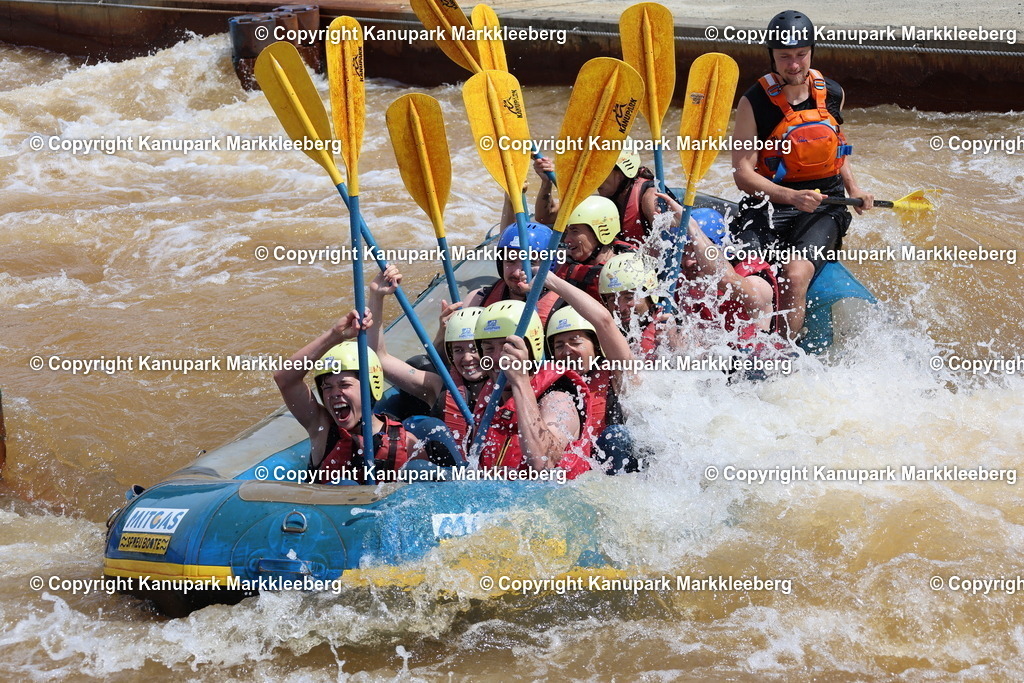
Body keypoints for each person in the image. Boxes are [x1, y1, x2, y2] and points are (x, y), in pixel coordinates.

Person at [731, 9, 873, 339]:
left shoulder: (833, 93)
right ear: (771, 57)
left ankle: (783, 359)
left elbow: (838, 148)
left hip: (825, 205)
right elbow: (742, 174)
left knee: (794, 276)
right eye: (784, 57)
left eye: (801, 55)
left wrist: (855, 189)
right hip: (768, 203)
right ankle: (746, 343)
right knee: (751, 282)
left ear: (811, 52)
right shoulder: (753, 103)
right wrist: (790, 197)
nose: (794, 65)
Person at [273, 311, 458, 482]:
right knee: (345, 485)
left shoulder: (406, 442)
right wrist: (333, 336)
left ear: (371, 387)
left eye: (344, 385)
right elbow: (285, 379)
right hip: (330, 515)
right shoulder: (321, 428)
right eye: (327, 387)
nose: (335, 393)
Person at [368, 264, 488, 456]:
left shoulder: (507, 385)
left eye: (474, 348)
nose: (466, 358)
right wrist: (376, 296)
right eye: (458, 349)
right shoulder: (438, 385)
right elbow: (378, 358)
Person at [472, 300, 592, 478]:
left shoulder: (558, 398)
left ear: (530, 349)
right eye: (489, 348)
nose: (498, 358)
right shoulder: (491, 396)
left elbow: (543, 464)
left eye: (508, 348)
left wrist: (520, 381)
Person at [543, 271, 640, 473]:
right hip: (578, 472)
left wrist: (549, 280)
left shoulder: (618, 374)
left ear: (596, 347)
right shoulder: (554, 386)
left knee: (616, 435)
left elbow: (604, 320)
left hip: (619, 472)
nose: (567, 350)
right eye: (559, 345)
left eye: (576, 341)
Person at [533, 147, 662, 248]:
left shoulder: (650, 198)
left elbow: (669, 247)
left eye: (599, 172)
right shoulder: (604, 199)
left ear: (623, 171)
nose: (593, 178)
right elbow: (546, 216)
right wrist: (546, 183)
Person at [461, 221, 561, 327]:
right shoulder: (477, 300)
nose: (517, 273)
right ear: (501, 263)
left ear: (549, 266)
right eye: (510, 261)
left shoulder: (560, 309)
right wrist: (442, 333)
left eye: (530, 262)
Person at [553, 195, 637, 300]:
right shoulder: (568, 264)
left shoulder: (628, 270)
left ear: (600, 233)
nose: (566, 240)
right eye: (567, 232)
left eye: (575, 231)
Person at [598, 251, 664, 358]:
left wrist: (677, 349)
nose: (620, 307)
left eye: (629, 297)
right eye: (612, 299)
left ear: (650, 295)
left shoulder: (675, 330)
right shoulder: (603, 338)